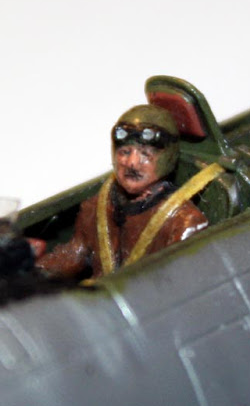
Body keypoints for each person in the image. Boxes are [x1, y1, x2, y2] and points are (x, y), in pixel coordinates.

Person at [36, 104, 220, 280]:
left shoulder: (183, 223)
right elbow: (73, 254)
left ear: (167, 159)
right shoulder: (98, 207)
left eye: (145, 155)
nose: (132, 163)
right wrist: (34, 274)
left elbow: (173, 283)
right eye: (124, 152)